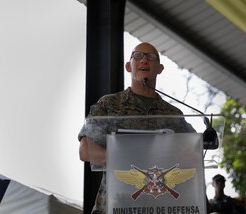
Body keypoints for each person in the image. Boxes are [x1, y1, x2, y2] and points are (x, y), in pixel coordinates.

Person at [78, 42, 196, 214]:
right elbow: (86, 150)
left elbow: (193, 155)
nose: (144, 60)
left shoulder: (173, 115)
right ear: (128, 66)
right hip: (115, 206)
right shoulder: (109, 104)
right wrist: (127, 160)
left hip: (160, 206)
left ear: (160, 68)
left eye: (151, 57)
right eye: (138, 56)